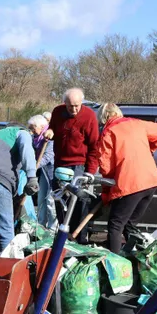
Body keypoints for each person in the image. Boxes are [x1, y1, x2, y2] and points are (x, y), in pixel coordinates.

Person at [96, 103, 157, 254]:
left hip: (130, 183)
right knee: (129, 224)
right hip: (151, 181)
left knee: (116, 225)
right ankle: (140, 259)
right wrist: (149, 147)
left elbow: (106, 167)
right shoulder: (137, 123)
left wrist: (106, 194)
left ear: (104, 117)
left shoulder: (109, 132)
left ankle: (114, 264)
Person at [49, 88, 99, 243]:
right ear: (65, 103)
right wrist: (50, 131)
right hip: (60, 164)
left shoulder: (89, 115)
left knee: (78, 202)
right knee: (59, 199)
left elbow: (94, 146)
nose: (74, 109)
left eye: (77, 105)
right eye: (71, 106)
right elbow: (52, 128)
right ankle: (63, 237)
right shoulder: (57, 112)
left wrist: (90, 171)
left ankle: (80, 238)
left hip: (79, 165)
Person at [28, 114, 56, 229]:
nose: (31, 131)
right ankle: (40, 226)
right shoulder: (37, 139)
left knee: (51, 200)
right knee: (41, 198)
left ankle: (53, 228)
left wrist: (33, 167)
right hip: (44, 172)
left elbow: (48, 156)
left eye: (33, 128)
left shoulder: (49, 137)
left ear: (40, 126)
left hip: (53, 172)